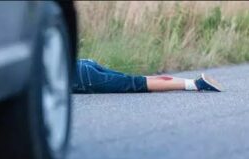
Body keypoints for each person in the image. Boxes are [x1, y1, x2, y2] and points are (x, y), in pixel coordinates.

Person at [72, 59, 223, 93]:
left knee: (136, 84)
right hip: (81, 64)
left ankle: (197, 84)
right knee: (134, 80)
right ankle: (192, 82)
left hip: (80, 77)